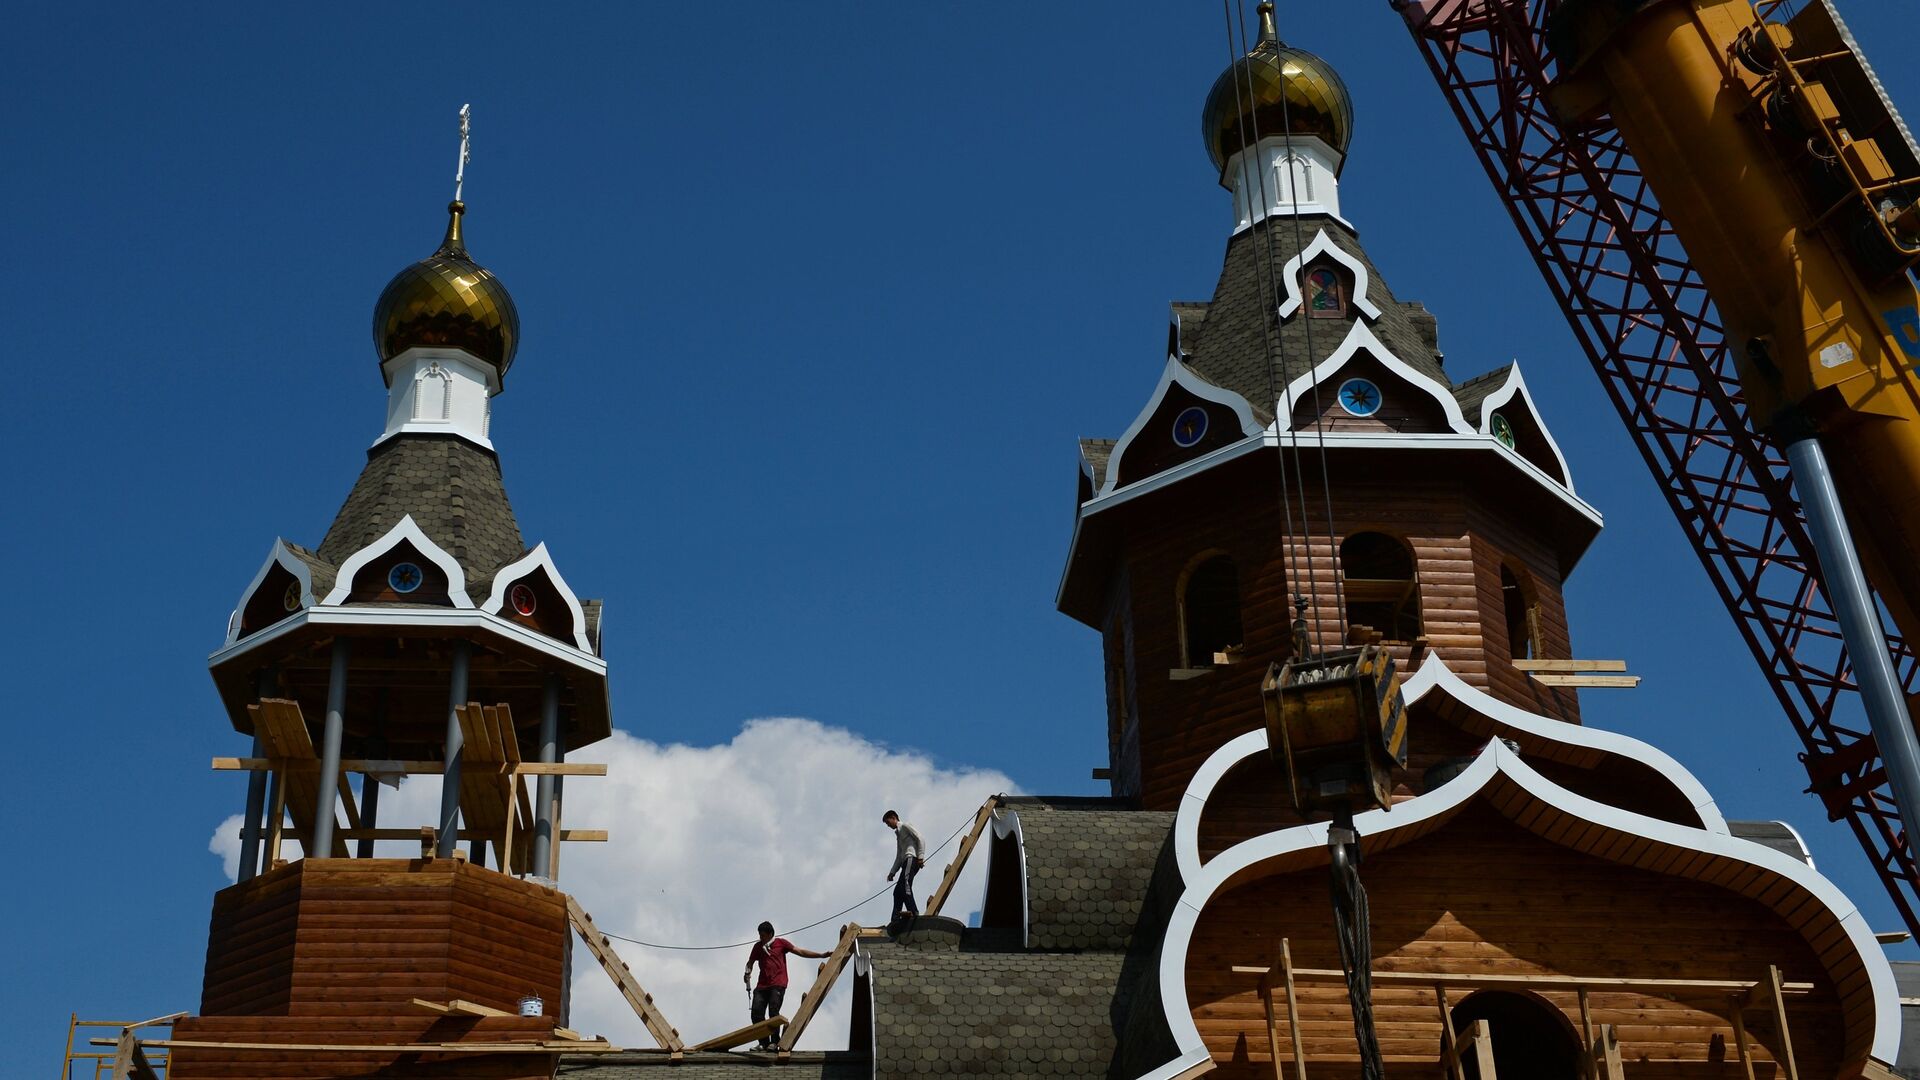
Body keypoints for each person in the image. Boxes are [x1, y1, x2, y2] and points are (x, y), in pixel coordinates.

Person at [742, 921, 827, 1050]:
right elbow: (750, 963)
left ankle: (774, 1042)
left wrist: (820, 955)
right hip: (762, 985)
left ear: (770, 934)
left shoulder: (781, 943)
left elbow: (800, 951)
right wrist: (747, 973)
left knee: (773, 1012)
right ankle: (763, 1042)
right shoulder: (758, 947)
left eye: (763, 935)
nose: (761, 938)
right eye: (760, 935)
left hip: (778, 984)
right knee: (756, 1013)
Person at [883, 810, 928, 922]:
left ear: (894, 818)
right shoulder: (898, 835)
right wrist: (892, 872)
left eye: (888, 823)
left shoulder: (905, 826)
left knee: (906, 884)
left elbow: (920, 838)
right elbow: (899, 856)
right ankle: (895, 917)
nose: (888, 826)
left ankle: (913, 911)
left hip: (911, 858)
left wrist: (921, 856)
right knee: (897, 891)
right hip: (905, 861)